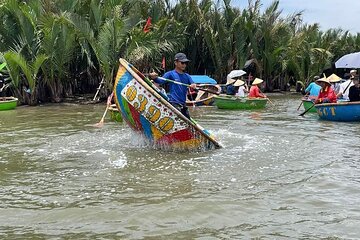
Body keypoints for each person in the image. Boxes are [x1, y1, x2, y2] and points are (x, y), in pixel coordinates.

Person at [149, 53, 196, 119]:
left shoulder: (187, 76)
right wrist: (154, 78)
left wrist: (193, 85)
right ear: (176, 63)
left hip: (183, 104)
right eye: (182, 63)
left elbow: (193, 83)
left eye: (186, 63)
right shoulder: (170, 74)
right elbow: (160, 81)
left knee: (188, 122)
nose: (184, 65)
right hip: (174, 103)